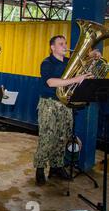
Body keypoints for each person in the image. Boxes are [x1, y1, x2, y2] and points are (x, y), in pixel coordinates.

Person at [34, 35, 100, 186]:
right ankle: (40, 168)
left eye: (65, 43)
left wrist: (93, 55)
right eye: (61, 44)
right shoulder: (47, 62)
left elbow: (83, 60)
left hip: (65, 104)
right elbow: (50, 82)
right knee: (47, 138)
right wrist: (76, 79)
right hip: (49, 104)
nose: (65, 46)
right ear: (52, 47)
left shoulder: (68, 62)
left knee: (62, 137)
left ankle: (56, 167)